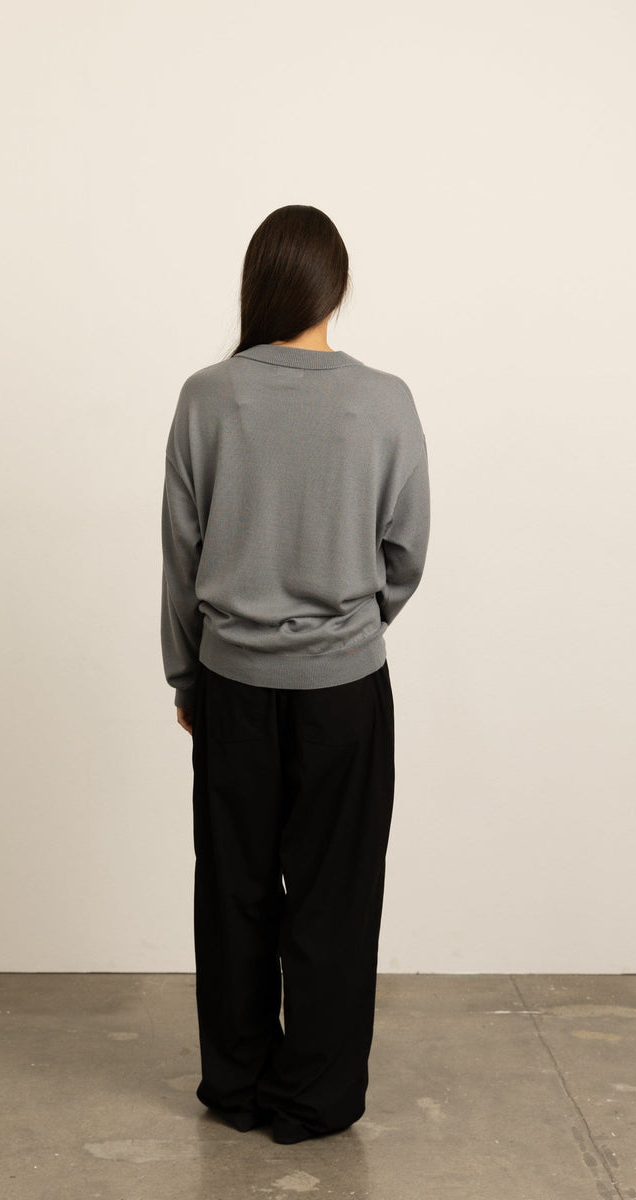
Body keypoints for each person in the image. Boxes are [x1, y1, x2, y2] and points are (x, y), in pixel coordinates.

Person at [160, 204, 430, 1144]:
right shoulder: (384, 400)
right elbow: (407, 550)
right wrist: (353, 626)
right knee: (336, 895)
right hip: (345, 693)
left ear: (258, 284)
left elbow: (182, 555)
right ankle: (314, 1096)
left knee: (233, 890)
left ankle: (236, 1084)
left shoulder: (207, 397)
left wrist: (187, 678)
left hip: (232, 686)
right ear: (337, 287)